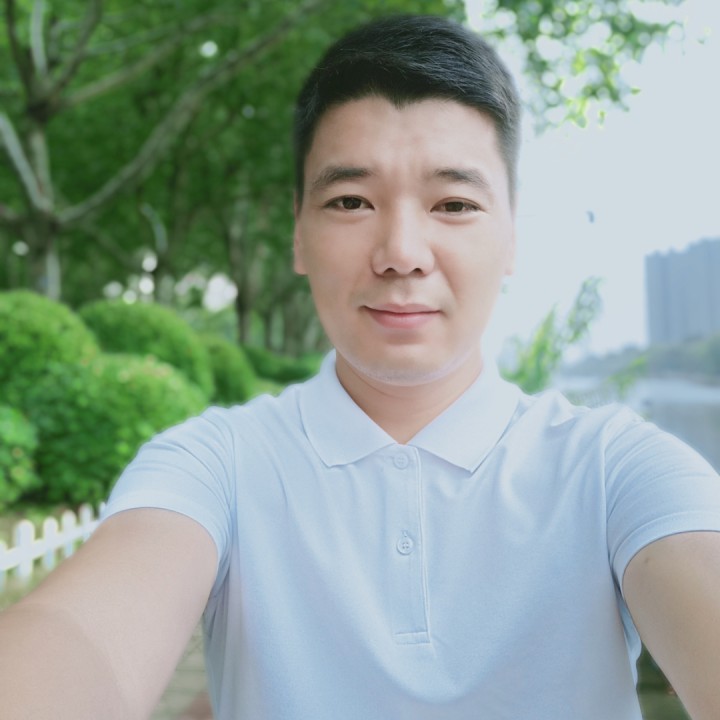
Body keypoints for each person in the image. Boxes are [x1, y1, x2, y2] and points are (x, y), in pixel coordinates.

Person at [1, 13, 719, 720]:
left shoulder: (617, 470)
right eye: (351, 201)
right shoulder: (214, 465)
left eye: (454, 203)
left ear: (511, 236)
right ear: (298, 233)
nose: (402, 252)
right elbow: (80, 635)